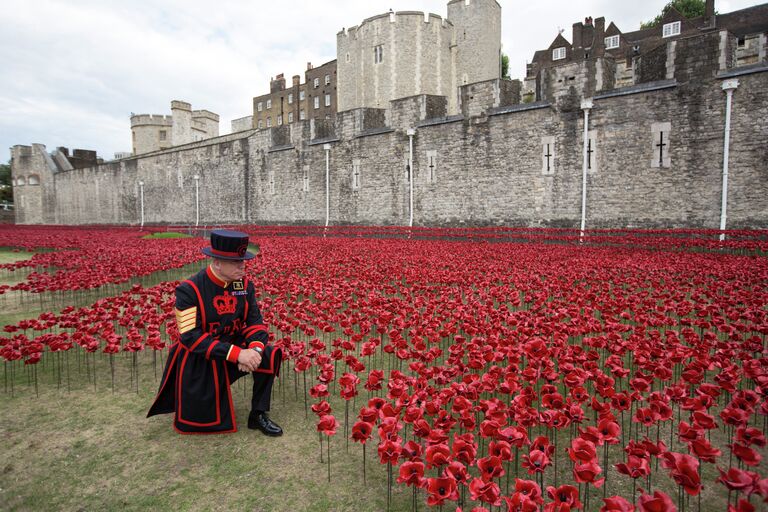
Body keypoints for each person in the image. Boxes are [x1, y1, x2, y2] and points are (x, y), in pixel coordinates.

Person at [148, 229, 283, 436]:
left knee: (268, 354)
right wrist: (237, 354)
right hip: (202, 358)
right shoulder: (189, 289)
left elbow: (255, 323)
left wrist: (254, 351)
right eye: (236, 262)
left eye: (243, 260)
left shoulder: (243, 285)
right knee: (202, 419)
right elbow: (190, 337)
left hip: (236, 349)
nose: (242, 265)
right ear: (217, 262)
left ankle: (258, 414)